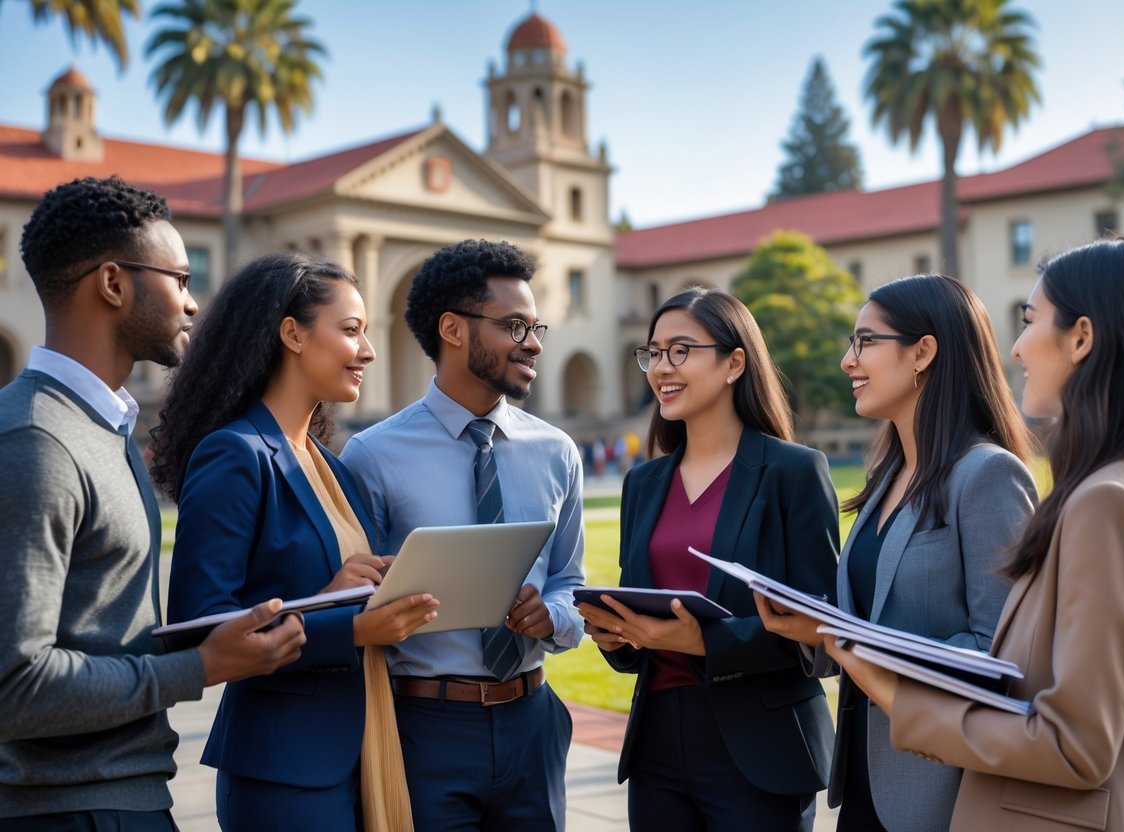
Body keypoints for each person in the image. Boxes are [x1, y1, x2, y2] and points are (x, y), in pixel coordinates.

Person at [821, 237, 1124, 830]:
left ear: (1082, 337)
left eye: (1030, 322)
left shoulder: (1112, 502)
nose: (1017, 347)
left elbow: (1072, 739)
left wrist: (893, 688)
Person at [0, 176, 305, 830]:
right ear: (113, 284)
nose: (194, 305)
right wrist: (200, 667)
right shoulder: (38, 441)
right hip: (70, 809)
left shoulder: (102, 428)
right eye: (180, 278)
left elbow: (101, 634)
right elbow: (14, 687)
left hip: (122, 796)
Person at [151, 253, 440, 832]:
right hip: (285, 769)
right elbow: (200, 626)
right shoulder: (235, 454)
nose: (369, 350)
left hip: (368, 748)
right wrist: (349, 622)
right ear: (292, 334)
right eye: (351, 330)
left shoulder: (334, 469)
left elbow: (343, 588)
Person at [759, 273, 1038, 831]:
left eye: (865, 341)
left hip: (943, 789)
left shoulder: (987, 475)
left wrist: (845, 641)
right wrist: (812, 630)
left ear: (923, 353)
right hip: (864, 778)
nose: (847, 360)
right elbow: (866, 621)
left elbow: (1002, 654)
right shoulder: (886, 476)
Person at [340, 238, 585, 831]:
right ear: (453, 329)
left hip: (535, 722)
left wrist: (551, 615)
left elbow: (570, 582)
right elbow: (352, 601)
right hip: (426, 730)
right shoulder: (371, 456)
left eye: (536, 326)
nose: (533, 343)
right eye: (515, 326)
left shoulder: (558, 451)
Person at [577, 287, 839, 830]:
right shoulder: (644, 483)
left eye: (680, 350)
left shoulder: (793, 473)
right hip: (657, 748)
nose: (660, 368)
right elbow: (643, 620)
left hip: (760, 747)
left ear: (734, 362)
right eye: (653, 353)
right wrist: (618, 634)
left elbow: (823, 633)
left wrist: (702, 642)